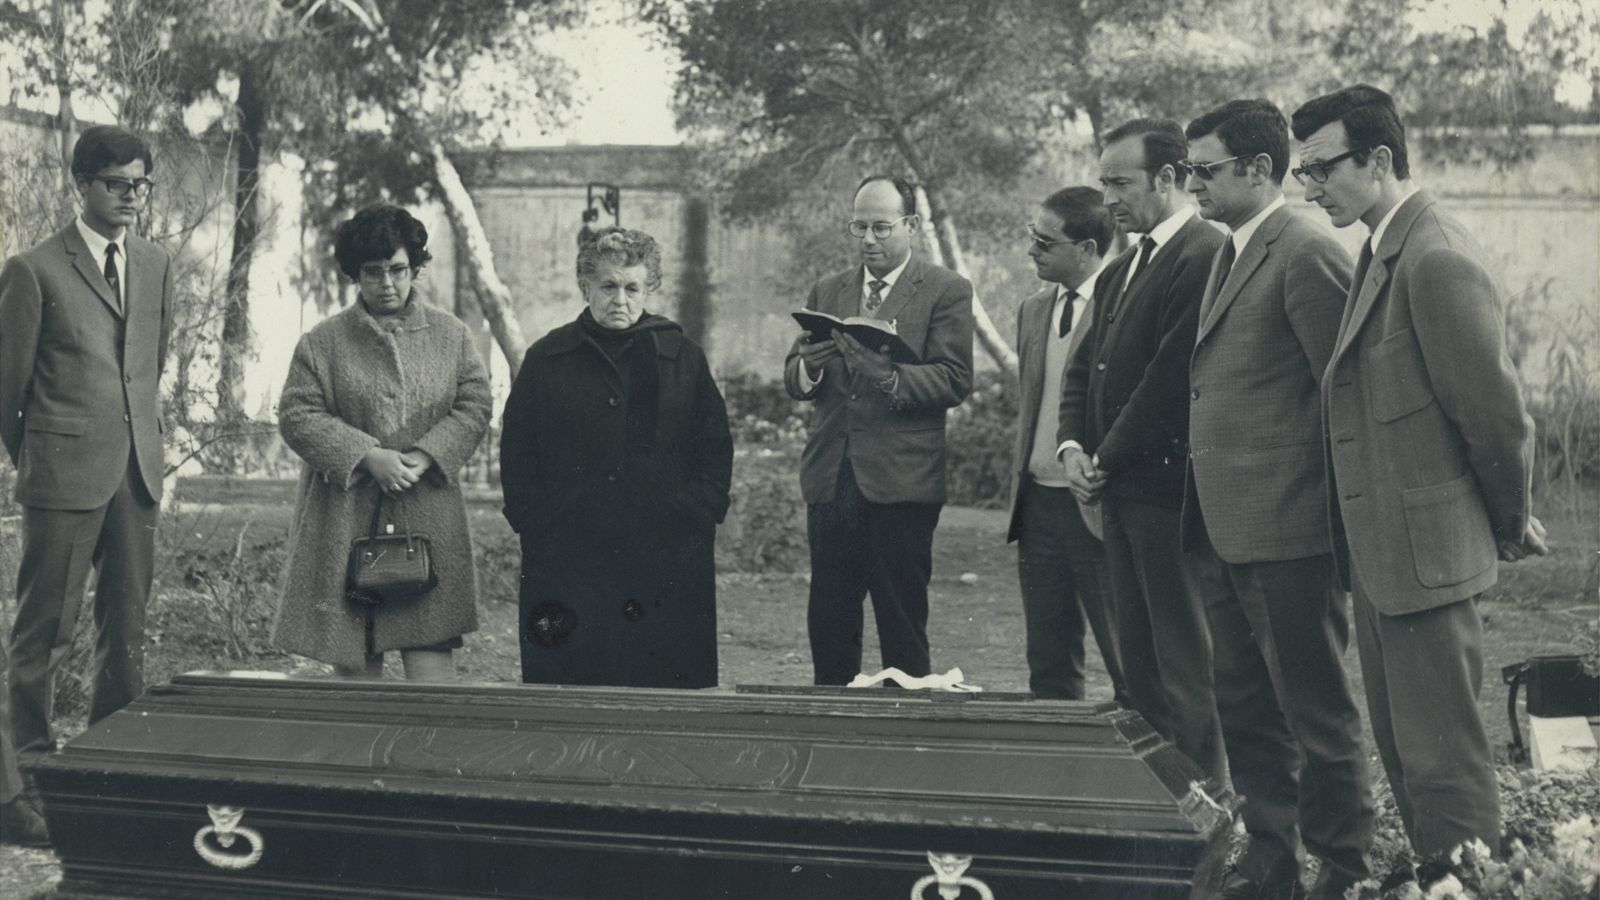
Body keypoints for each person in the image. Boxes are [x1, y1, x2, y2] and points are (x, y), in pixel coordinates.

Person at [1290, 85, 1546, 890]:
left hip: (1427, 554)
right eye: (1303, 172)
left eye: (1322, 168)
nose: (1310, 188)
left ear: (1379, 159)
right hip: (1387, 553)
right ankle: (1441, 876)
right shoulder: (1382, 247)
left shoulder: (1434, 255)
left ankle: (1465, 882)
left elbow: (1495, 417)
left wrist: (1509, 521)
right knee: (1406, 748)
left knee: (1443, 758)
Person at [1179, 99, 1373, 900]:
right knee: (1247, 708)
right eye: (1188, 170)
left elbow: (1347, 395)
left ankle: (1343, 864)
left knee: (1314, 711)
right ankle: (1271, 859)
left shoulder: (1304, 249)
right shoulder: (1231, 250)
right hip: (1228, 530)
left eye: (1205, 170)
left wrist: (1332, 518)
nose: (1192, 184)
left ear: (1260, 169)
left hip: (1292, 534)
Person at [1, 126, 174, 837]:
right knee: (45, 631)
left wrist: (141, 443)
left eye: (141, 184)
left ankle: (110, 769)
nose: (132, 196)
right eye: (116, 184)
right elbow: (8, 390)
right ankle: (29, 777)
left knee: (125, 628)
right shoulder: (33, 269)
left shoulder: (156, 264)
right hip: (62, 475)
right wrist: (45, 456)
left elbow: (149, 366)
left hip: (136, 473)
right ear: (82, 184)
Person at [1055, 119, 1227, 781]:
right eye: (1103, 183)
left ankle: (1208, 801)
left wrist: (1104, 458)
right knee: (1140, 667)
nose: (1108, 200)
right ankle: (1161, 804)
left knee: (1186, 665)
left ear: (1168, 178)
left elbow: (1169, 379)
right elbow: (1082, 369)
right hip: (1120, 495)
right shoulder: (1122, 268)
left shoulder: (1204, 253)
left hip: (1166, 499)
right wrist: (1073, 447)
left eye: (1120, 183)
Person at [501, 226, 732, 688]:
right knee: (573, 685)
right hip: (569, 555)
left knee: (661, 685)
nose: (620, 300)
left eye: (632, 288)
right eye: (608, 286)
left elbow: (714, 444)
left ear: (649, 289)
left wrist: (695, 509)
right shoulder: (548, 358)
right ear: (585, 286)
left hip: (666, 553)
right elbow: (519, 449)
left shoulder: (681, 356)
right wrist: (536, 519)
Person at [274, 204, 492, 681]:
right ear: (355, 275)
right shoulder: (322, 342)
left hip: (427, 508)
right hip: (346, 515)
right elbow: (296, 414)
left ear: (415, 268)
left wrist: (427, 454)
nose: (387, 283)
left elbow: (475, 403)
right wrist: (366, 456)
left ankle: (428, 736)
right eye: (373, 272)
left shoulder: (452, 336)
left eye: (398, 269)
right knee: (355, 657)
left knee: (430, 652)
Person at [784, 175, 975, 686]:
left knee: (901, 625)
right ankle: (831, 721)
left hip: (902, 482)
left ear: (911, 225)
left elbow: (955, 379)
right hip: (832, 478)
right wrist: (809, 366)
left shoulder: (946, 290)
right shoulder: (829, 289)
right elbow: (795, 376)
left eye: (881, 228)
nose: (868, 239)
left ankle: (903, 726)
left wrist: (888, 376)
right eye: (859, 227)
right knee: (829, 621)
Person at [1005, 186, 1125, 703]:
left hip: (1098, 503)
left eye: (1045, 242)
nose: (1032, 250)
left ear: (1087, 249)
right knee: (1049, 661)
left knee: (1127, 656)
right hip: (1037, 506)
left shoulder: (1124, 306)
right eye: (1032, 237)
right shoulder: (1033, 309)